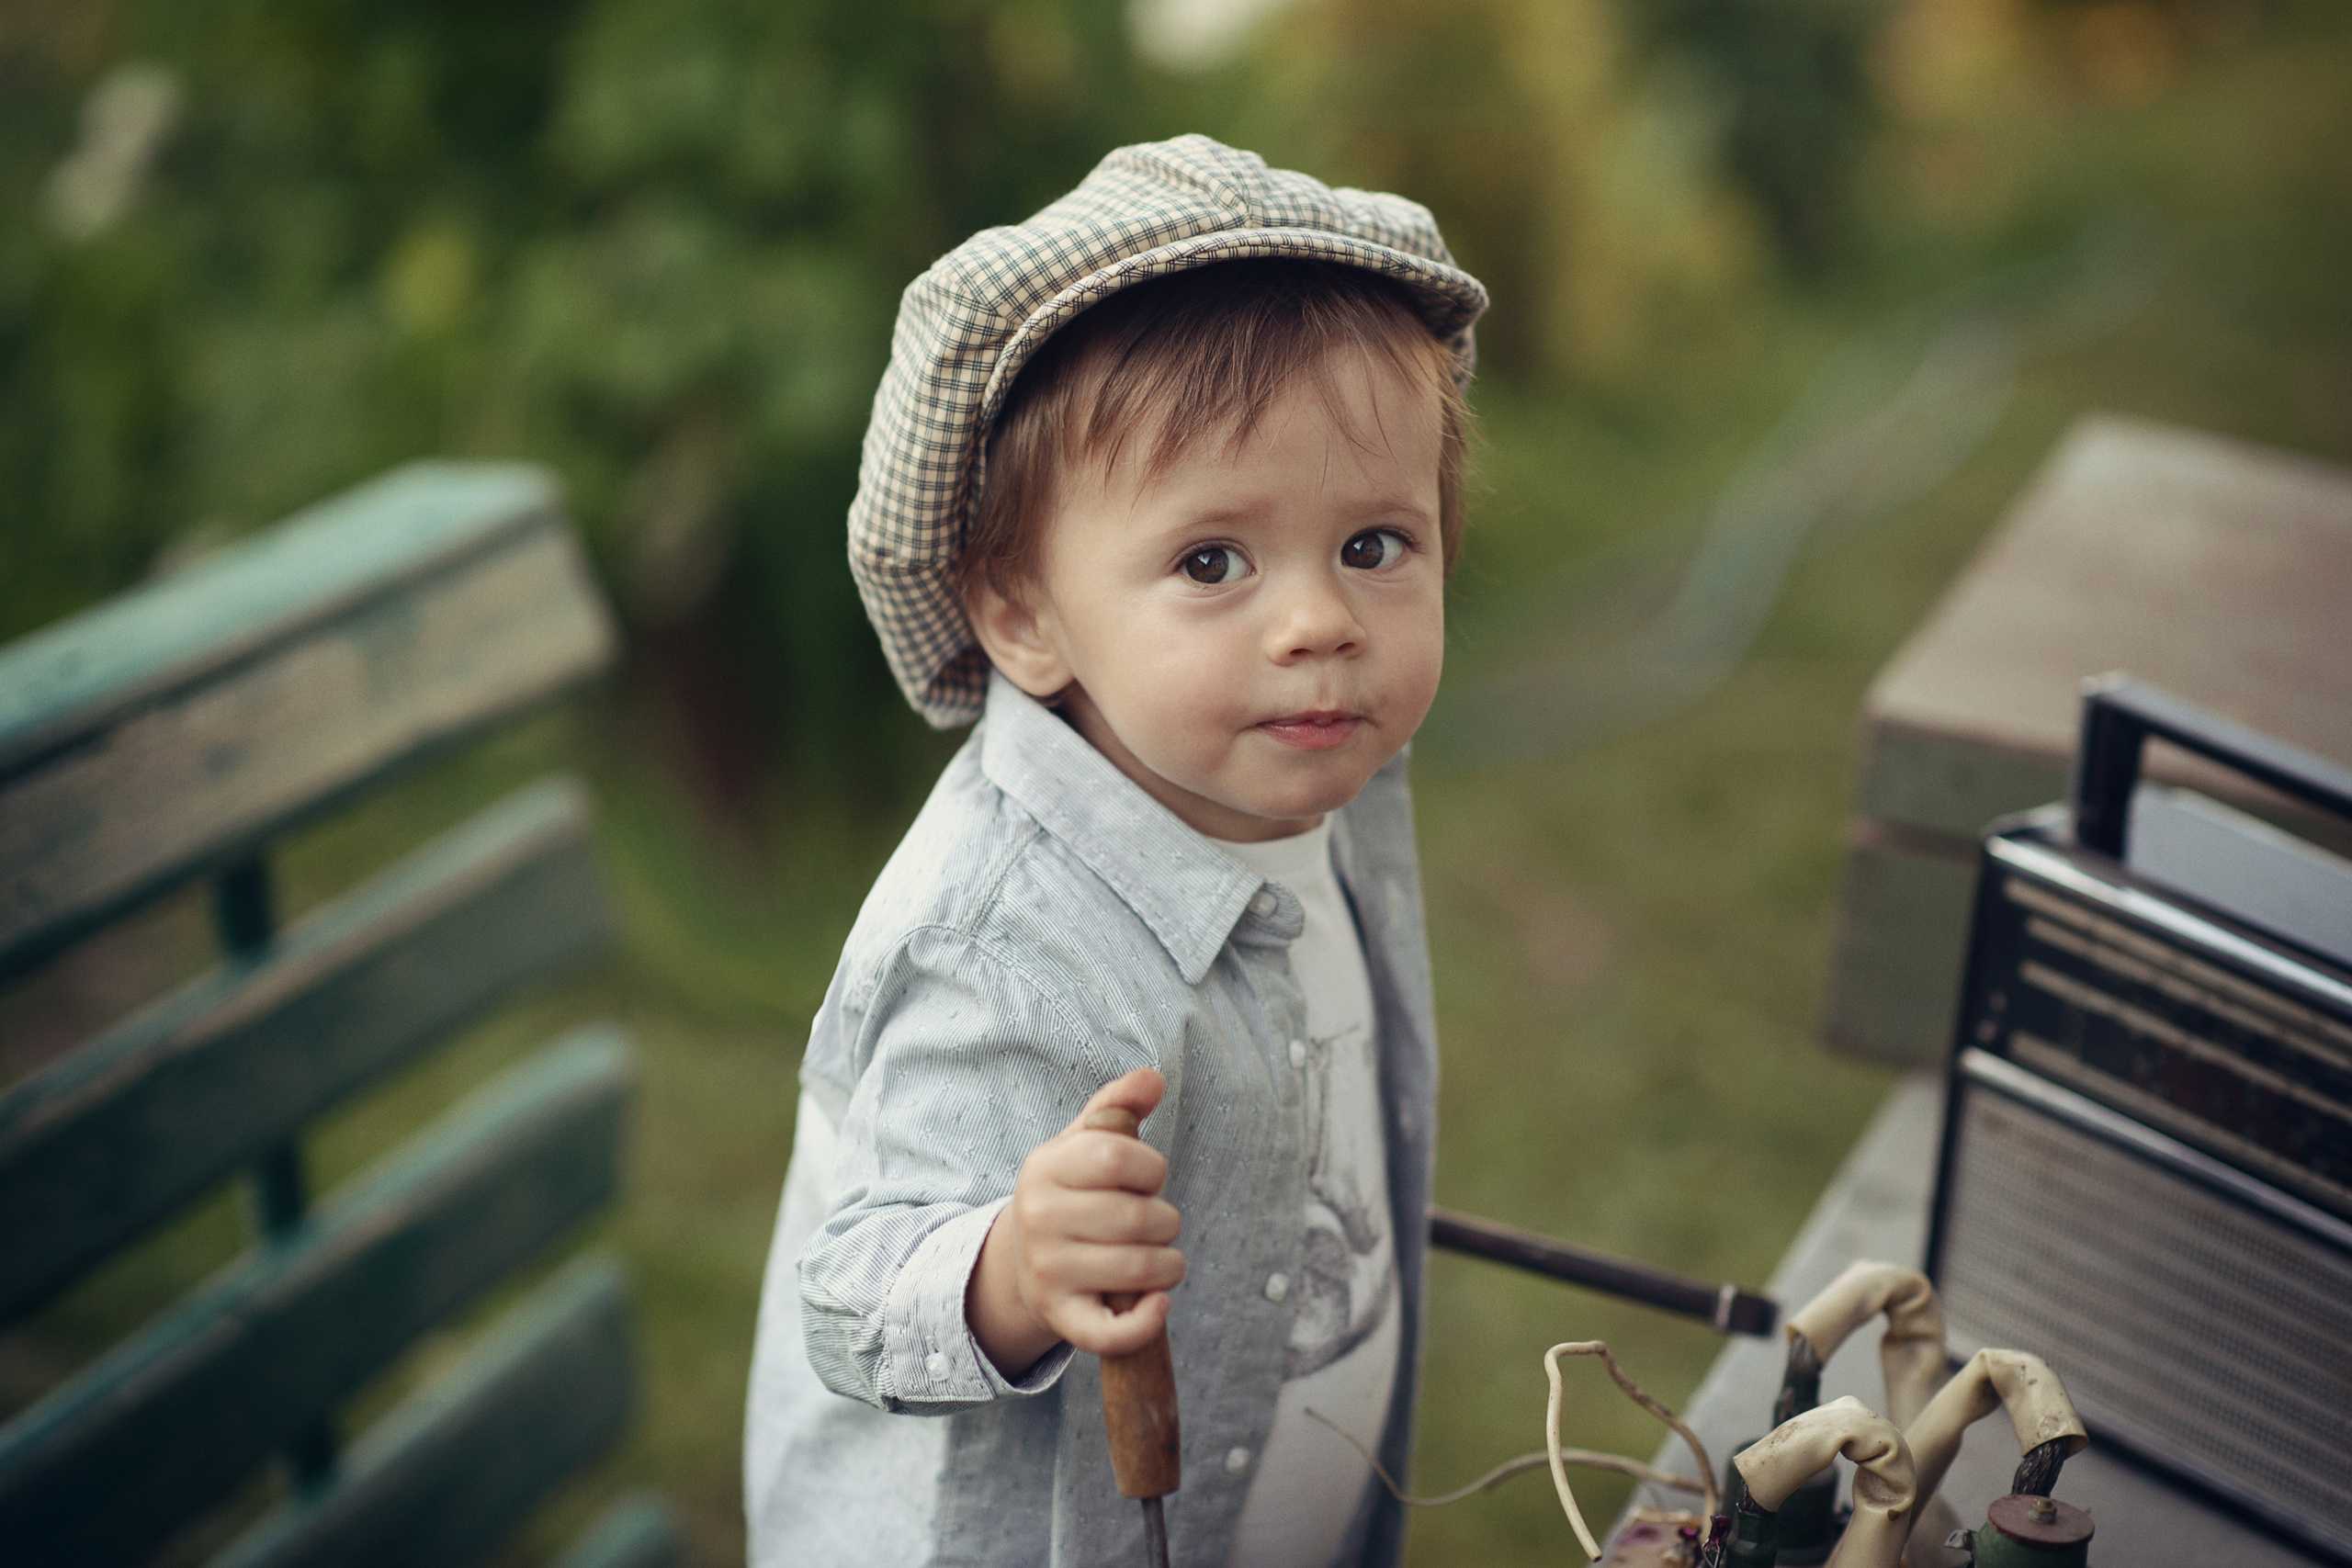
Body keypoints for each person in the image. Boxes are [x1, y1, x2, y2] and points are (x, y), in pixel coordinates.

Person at [743, 133, 1487, 1568]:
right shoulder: (1004, 942)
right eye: (1213, 562)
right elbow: (856, 1289)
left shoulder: (1318, 778)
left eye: (1376, 545)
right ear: (1023, 617)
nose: (1320, 623)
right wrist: (1010, 1268)